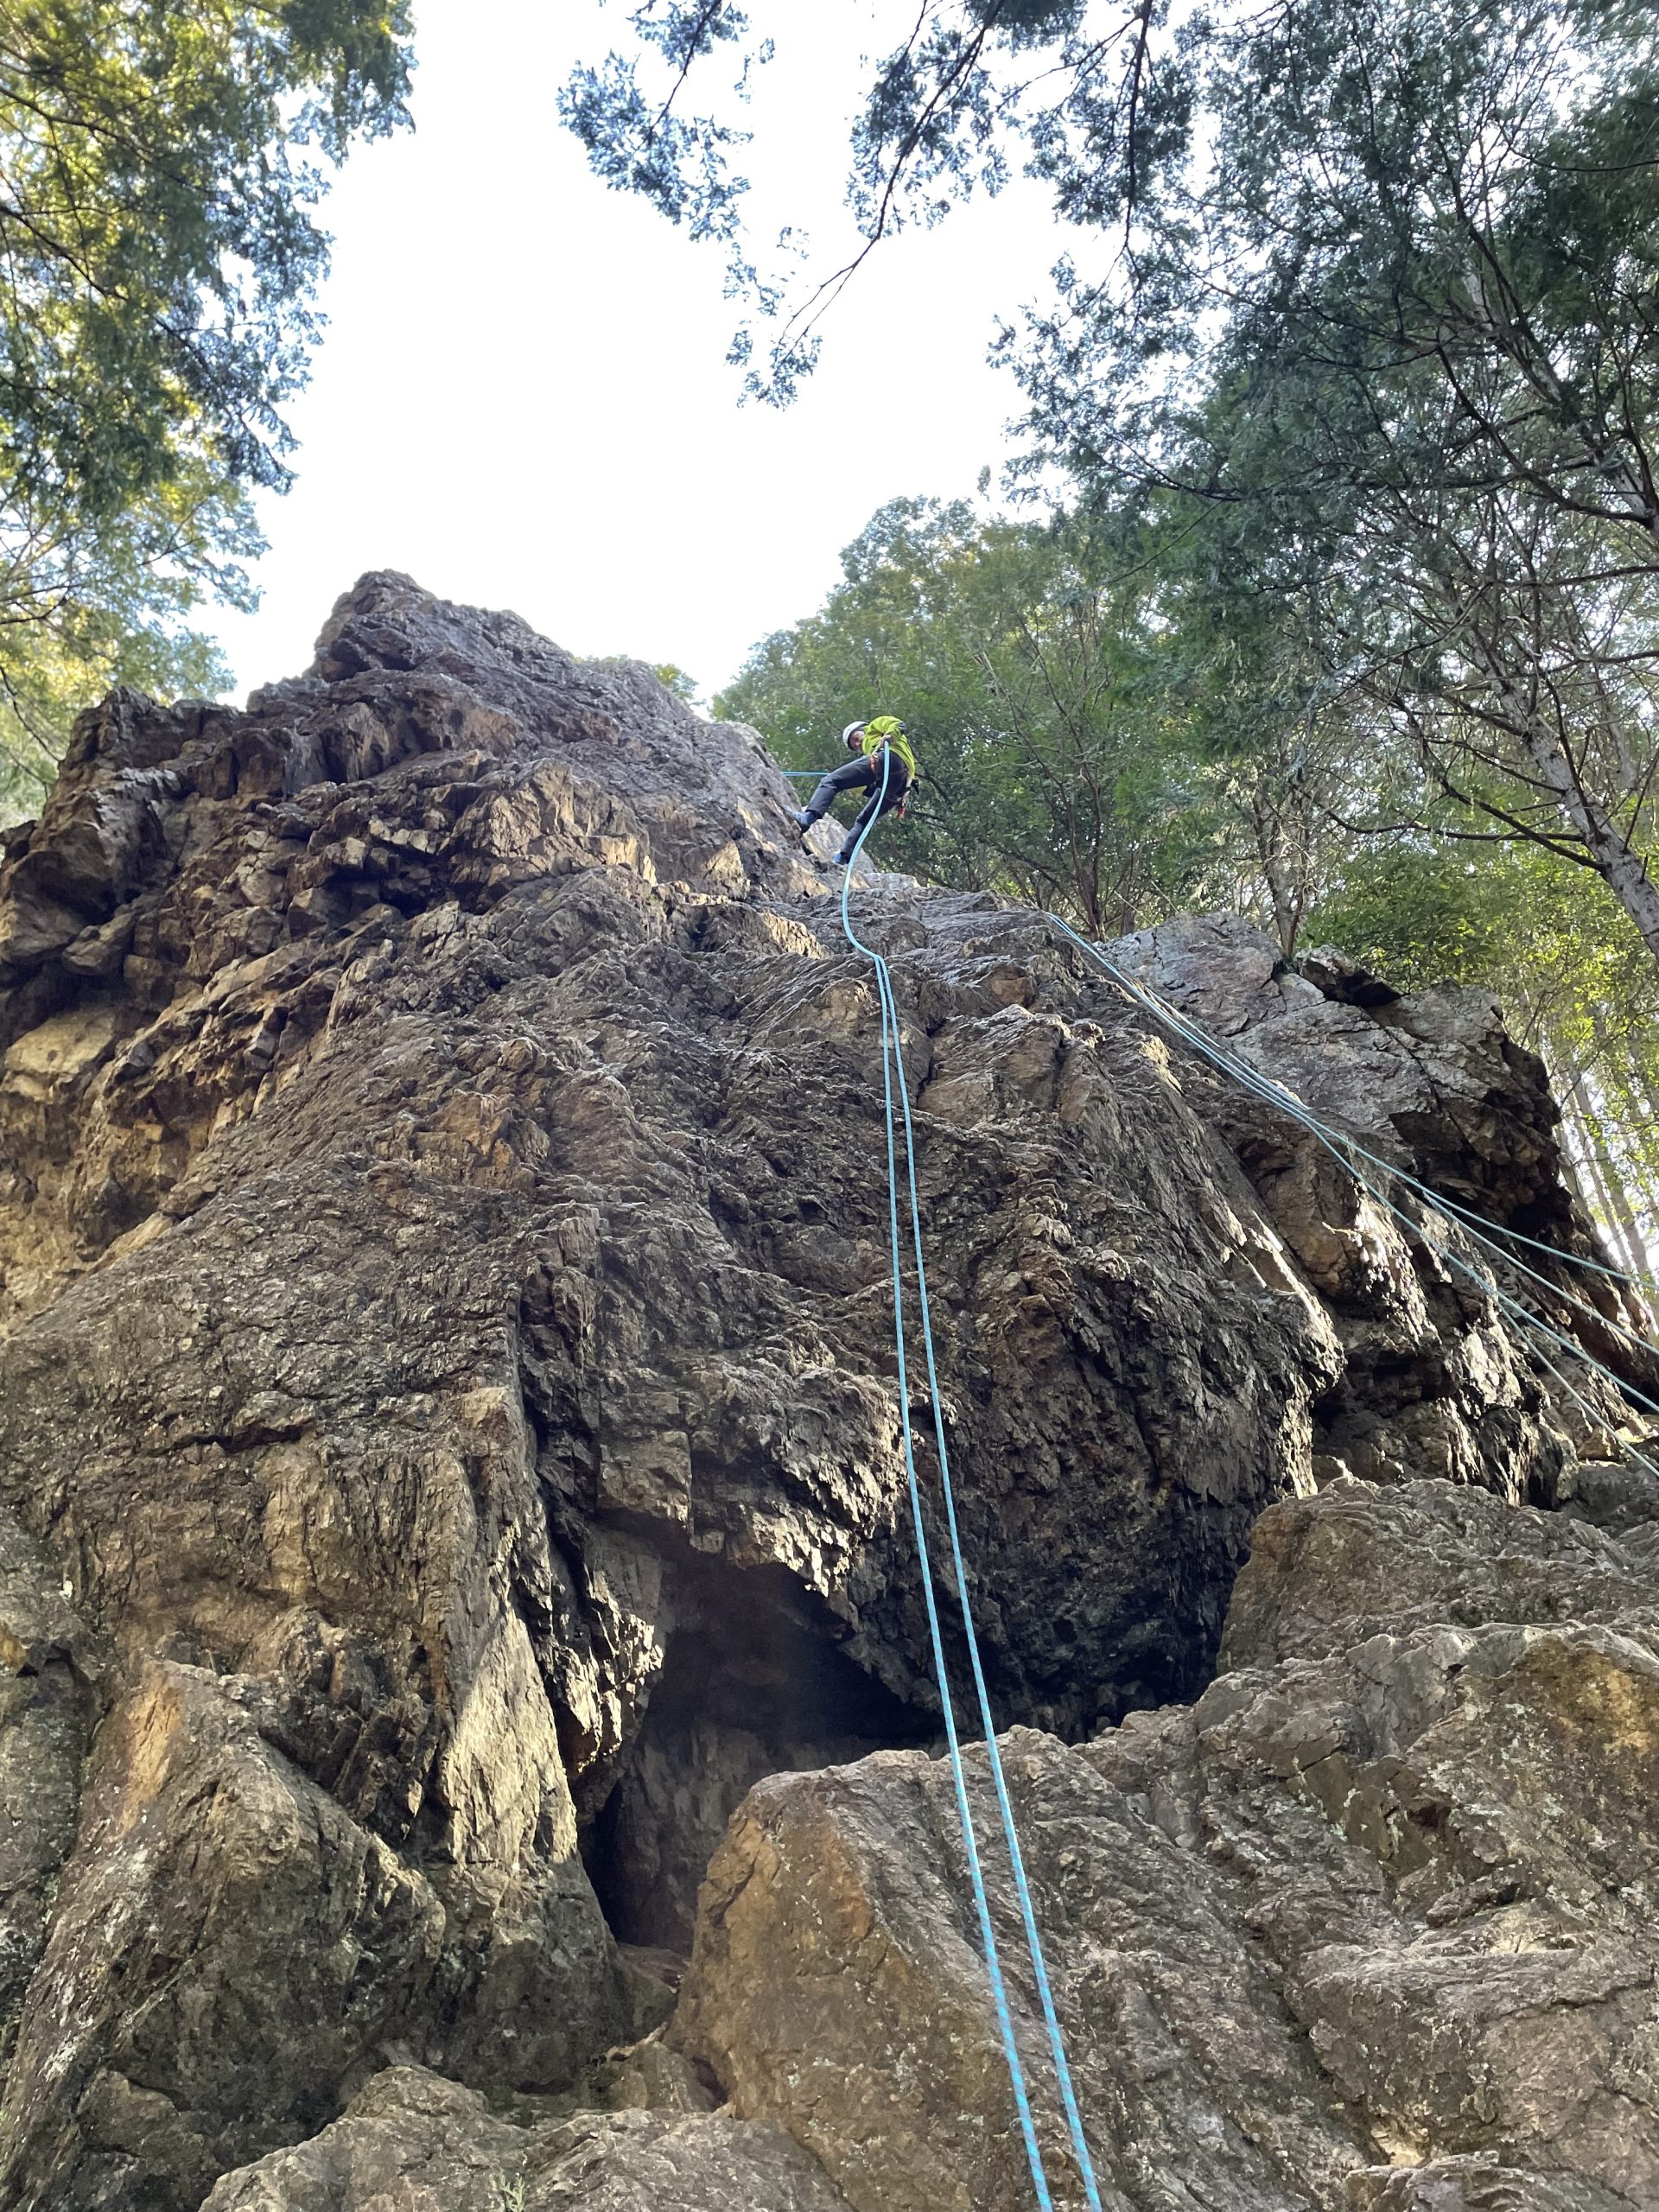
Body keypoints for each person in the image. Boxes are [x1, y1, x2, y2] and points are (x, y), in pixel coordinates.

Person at [789, 716, 918, 866]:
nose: (858, 744)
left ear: (864, 729)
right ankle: (842, 857)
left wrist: (889, 737)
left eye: (856, 738)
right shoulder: (870, 752)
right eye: (855, 746)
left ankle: (808, 817)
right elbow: (868, 790)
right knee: (863, 821)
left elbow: (897, 724)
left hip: (889, 759)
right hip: (898, 786)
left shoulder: (874, 728)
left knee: (830, 781)